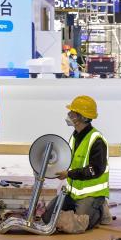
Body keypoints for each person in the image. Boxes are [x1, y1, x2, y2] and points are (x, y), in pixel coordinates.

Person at [42, 95, 112, 230]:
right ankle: (77, 210)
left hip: (91, 195)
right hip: (72, 194)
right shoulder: (75, 136)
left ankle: (101, 209)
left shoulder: (96, 140)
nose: (69, 114)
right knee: (47, 217)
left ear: (82, 117)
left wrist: (69, 174)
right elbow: (70, 161)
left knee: (79, 224)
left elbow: (95, 170)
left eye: (72, 112)